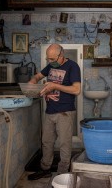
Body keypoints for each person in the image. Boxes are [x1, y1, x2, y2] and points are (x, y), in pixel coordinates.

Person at [27, 44, 81, 180]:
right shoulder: (51, 65)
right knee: (47, 142)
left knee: (64, 144)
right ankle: (45, 169)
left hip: (65, 112)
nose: (49, 62)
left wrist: (54, 85)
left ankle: (62, 174)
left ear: (61, 55)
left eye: (52, 59)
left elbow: (76, 90)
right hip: (50, 111)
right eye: (48, 59)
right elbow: (38, 76)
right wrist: (33, 82)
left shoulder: (73, 66)